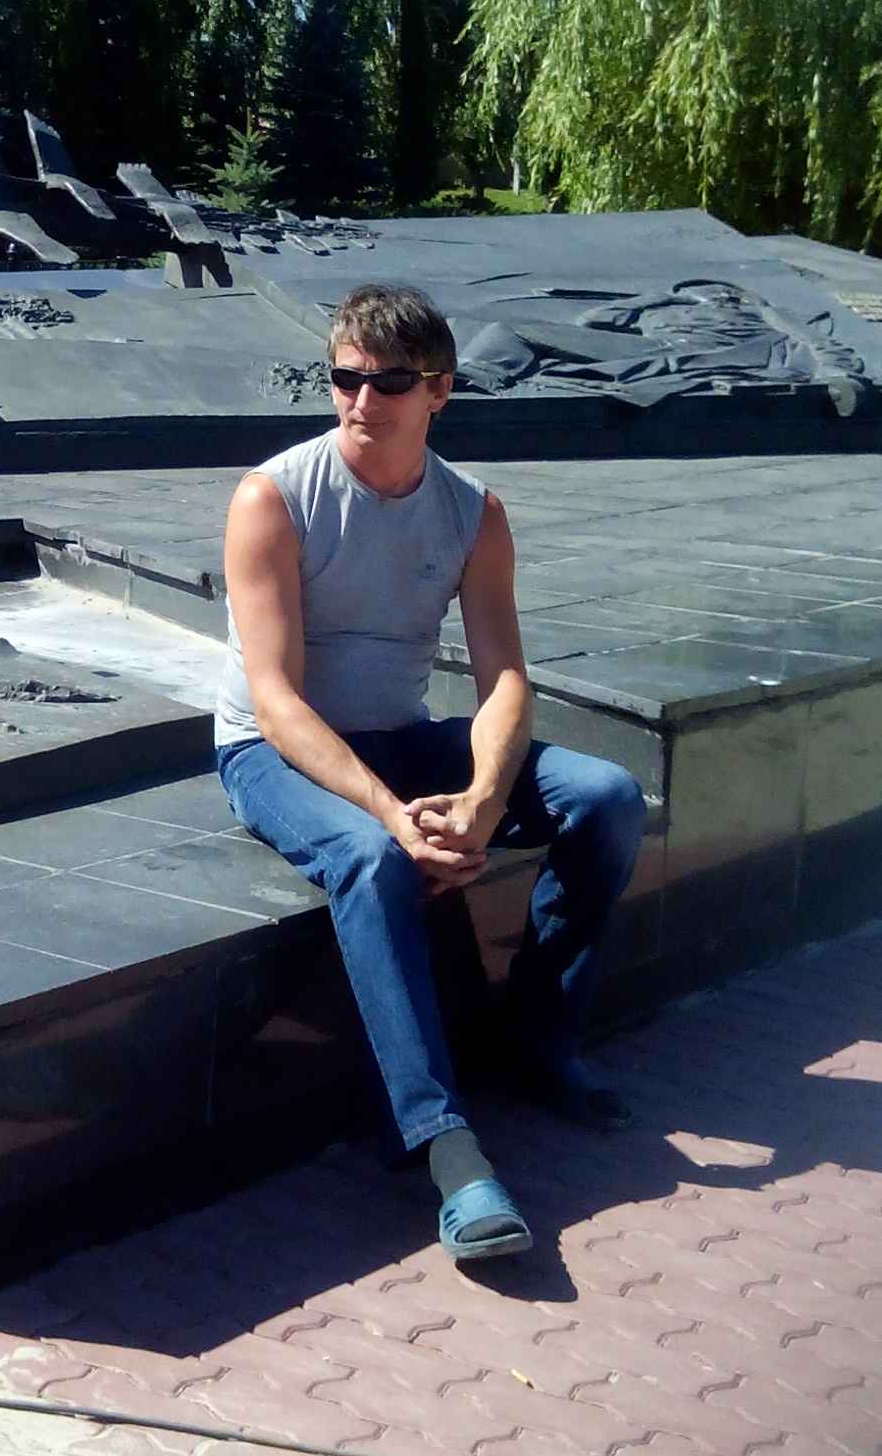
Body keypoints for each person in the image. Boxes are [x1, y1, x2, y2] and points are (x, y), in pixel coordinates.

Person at [215, 280, 646, 1266]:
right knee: (371, 860)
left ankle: (538, 1043)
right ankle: (444, 1145)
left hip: (401, 736)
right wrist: (391, 814)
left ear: (440, 391)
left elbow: (505, 680)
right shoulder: (272, 499)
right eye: (346, 380)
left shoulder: (472, 514)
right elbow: (274, 700)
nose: (362, 402)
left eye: (391, 383)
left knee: (608, 798)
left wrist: (484, 801)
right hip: (273, 752)